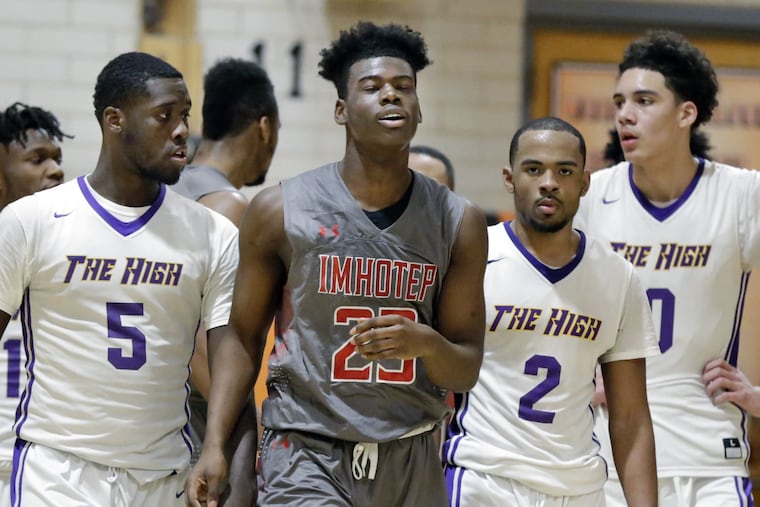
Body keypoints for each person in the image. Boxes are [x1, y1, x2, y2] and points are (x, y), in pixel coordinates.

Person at [187, 20, 488, 506]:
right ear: (341, 110)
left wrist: (427, 344)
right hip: (306, 451)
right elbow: (241, 338)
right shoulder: (278, 209)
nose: (392, 96)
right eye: (373, 87)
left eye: (404, 87)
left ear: (418, 108)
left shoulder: (460, 221)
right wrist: (215, 444)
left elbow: (465, 368)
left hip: (409, 453)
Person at [0, 52, 239, 506]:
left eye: (185, 115)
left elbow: (229, 351)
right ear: (114, 120)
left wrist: (215, 445)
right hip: (57, 472)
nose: (182, 129)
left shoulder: (213, 233)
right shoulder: (32, 220)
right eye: (164, 116)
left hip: (163, 474)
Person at [576, 29, 760, 506]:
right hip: (608, 456)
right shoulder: (592, 196)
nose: (624, 114)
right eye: (619, 101)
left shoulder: (742, 195)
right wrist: (580, 362)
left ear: (686, 113)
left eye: (644, 100)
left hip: (708, 455)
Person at [443, 116, 658, 506]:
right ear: (509, 179)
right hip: (484, 478)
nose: (549, 182)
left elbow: (630, 418)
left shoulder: (618, 276)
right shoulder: (474, 256)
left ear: (585, 182)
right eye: (533, 169)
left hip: (579, 487)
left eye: (564, 170)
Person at [171, 57, 280, 506]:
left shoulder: (166, 189)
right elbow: (210, 346)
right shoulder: (231, 207)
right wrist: (236, 448)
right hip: (198, 428)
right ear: (265, 128)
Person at [0, 102, 68, 506]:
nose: (56, 169)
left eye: (58, 158)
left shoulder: (73, 254)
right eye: (37, 159)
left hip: (50, 469)